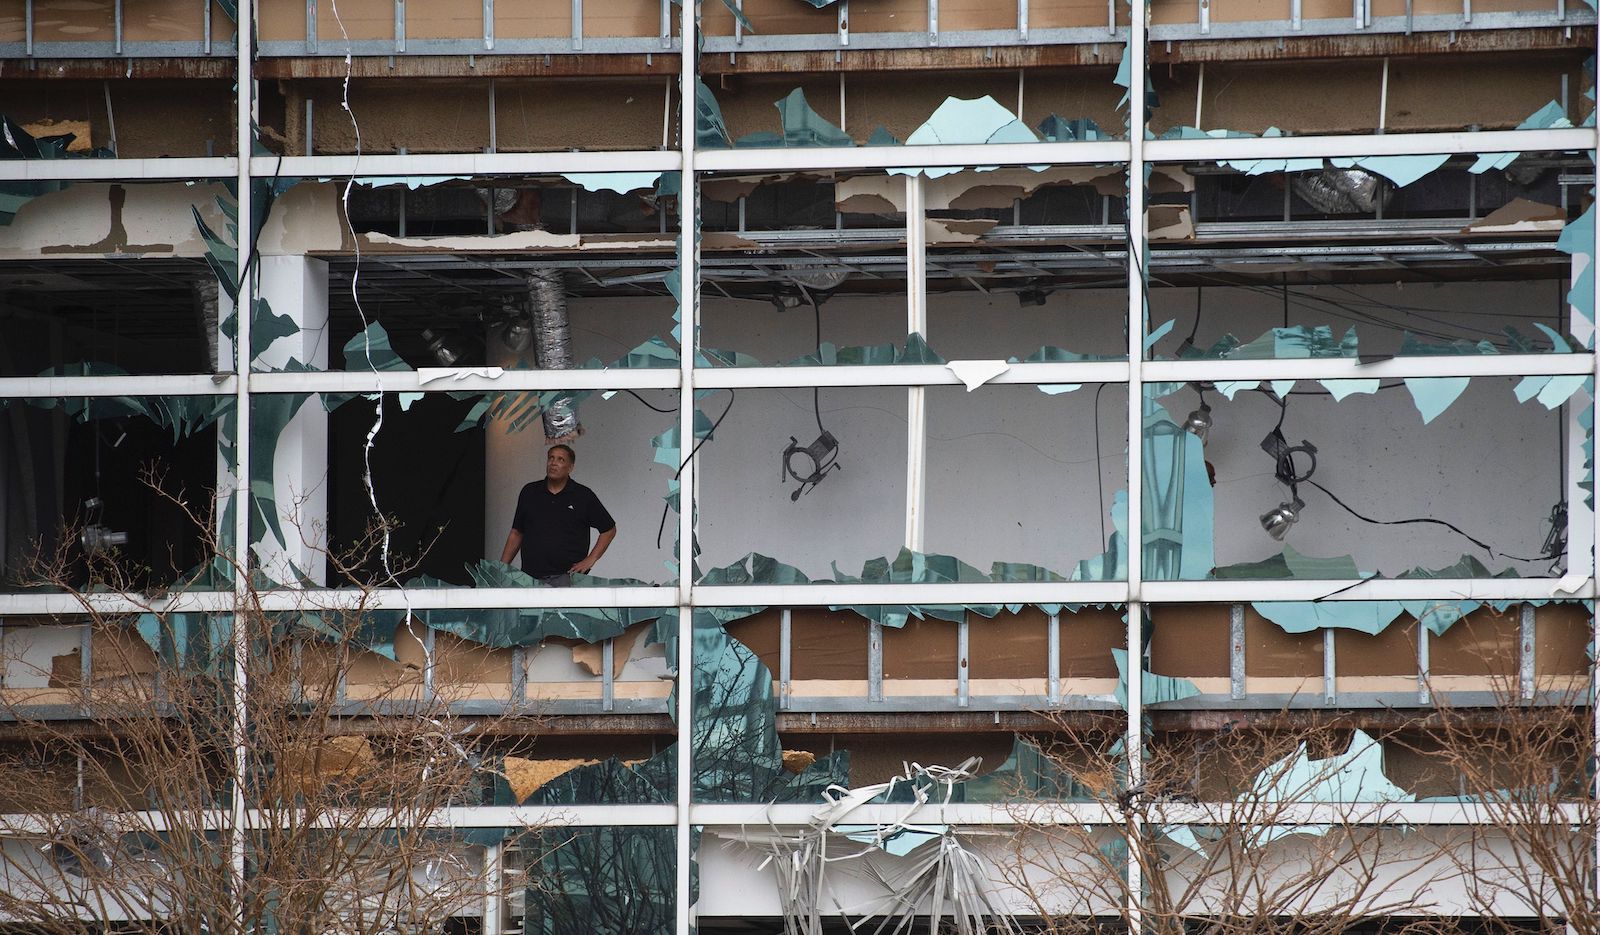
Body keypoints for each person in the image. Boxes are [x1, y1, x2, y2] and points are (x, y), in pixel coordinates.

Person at [499, 444, 616, 586]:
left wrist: (590, 560)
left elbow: (609, 529)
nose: (553, 463)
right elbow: (517, 532)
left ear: (570, 467)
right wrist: (501, 569)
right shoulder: (529, 492)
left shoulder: (583, 495)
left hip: (567, 577)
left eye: (561, 460)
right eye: (551, 458)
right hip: (530, 577)